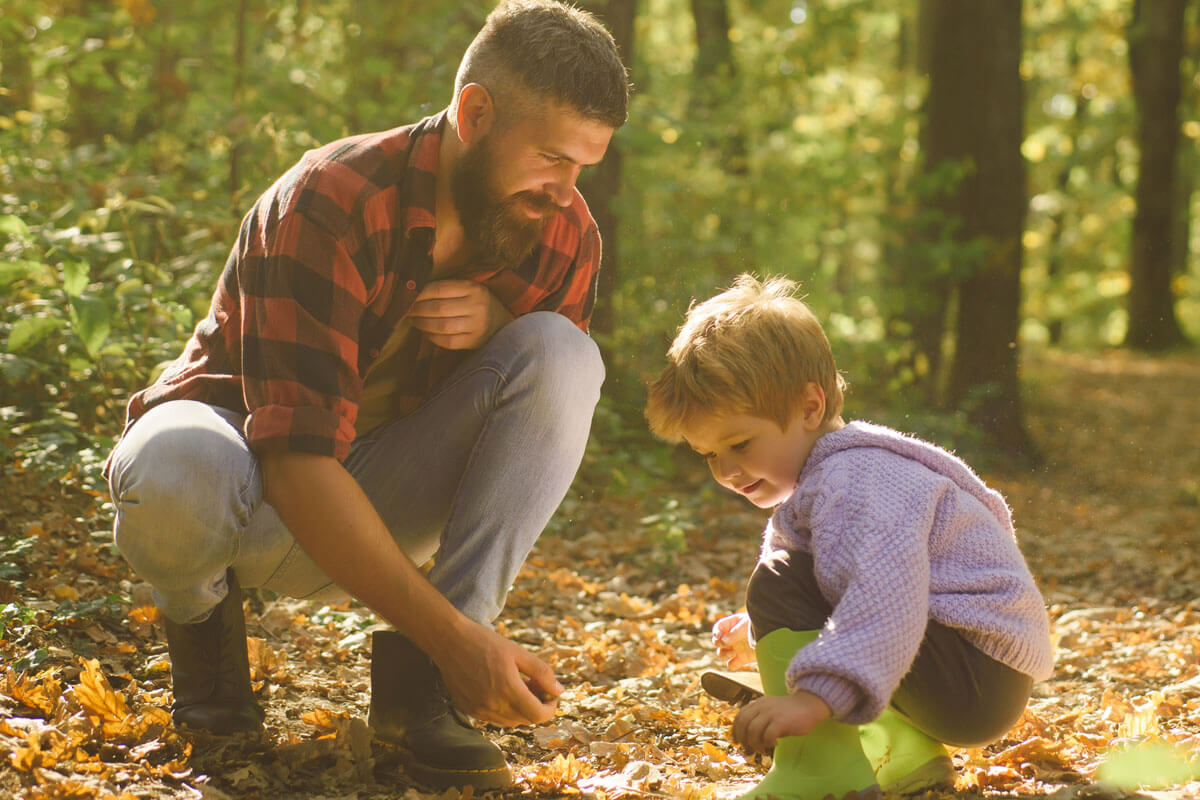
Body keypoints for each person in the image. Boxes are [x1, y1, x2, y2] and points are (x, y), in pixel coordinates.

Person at [102, 0, 630, 790]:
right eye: (553, 158)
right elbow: (294, 463)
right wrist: (461, 643)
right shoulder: (333, 197)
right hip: (249, 485)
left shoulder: (564, 232)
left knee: (563, 350)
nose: (565, 191)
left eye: (584, 166)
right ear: (475, 113)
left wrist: (506, 325)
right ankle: (207, 655)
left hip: (384, 492)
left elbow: (535, 414)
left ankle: (421, 694)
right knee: (178, 460)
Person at [644, 275, 1054, 800]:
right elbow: (846, 582)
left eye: (740, 443)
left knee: (779, 580)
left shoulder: (856, 483)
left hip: (972, 677)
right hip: (975, 671)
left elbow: (886, 596)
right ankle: (905, 756)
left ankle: (819, 773)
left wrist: (814, 698)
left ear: (809, 407)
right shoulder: (840, 472)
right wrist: (765, 630)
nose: (726, 470)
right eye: (709, 454)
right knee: (785, 588)